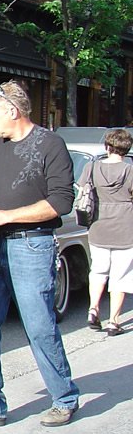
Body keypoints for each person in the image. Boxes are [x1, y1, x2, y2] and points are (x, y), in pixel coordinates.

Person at [0, 80, 80, 429]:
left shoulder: (50, 145)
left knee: (39, 325)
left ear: (13, 111)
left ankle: (64, 398)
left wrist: (3, 216)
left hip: (31, 245)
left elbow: (61, 202)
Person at [79, 128, 133, 337]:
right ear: (126, 150)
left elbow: (82, 191)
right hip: (125, 226)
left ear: (107, 147)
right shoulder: (130, 171)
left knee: (98, 270)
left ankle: (93, 308)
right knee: (121, 275)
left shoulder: (91, 167)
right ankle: (113, 321)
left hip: (98, 225)